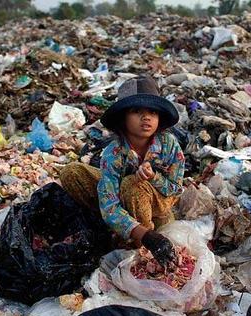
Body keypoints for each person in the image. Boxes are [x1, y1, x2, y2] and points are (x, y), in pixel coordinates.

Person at [60, 75, 185, 267]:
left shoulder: (169, 145)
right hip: (128, 208)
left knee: (132, 185)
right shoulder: (113, 153)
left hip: (157, 208)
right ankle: (131, 230)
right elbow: (109, 205)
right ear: (122, 118)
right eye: (136, 111)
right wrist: (146, 235)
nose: (146, 117)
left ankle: (138, 243)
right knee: (72, 172)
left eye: (152, 111)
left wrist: (153, 177)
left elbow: (175, 190)